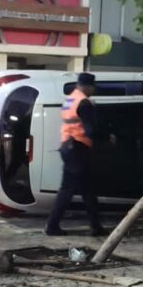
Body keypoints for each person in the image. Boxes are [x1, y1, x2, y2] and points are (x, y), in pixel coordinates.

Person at [45, 72, 106, 237]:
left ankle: (95, 225)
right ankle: (52, 226)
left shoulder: (71, 99)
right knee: (68, 190)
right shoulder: (84, 102)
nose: (94, 90)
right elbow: (91, 130)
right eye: (93, 87)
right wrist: (107, 138)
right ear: (88, 86)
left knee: (88, 189)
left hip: (69, 146)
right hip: (77, 149)